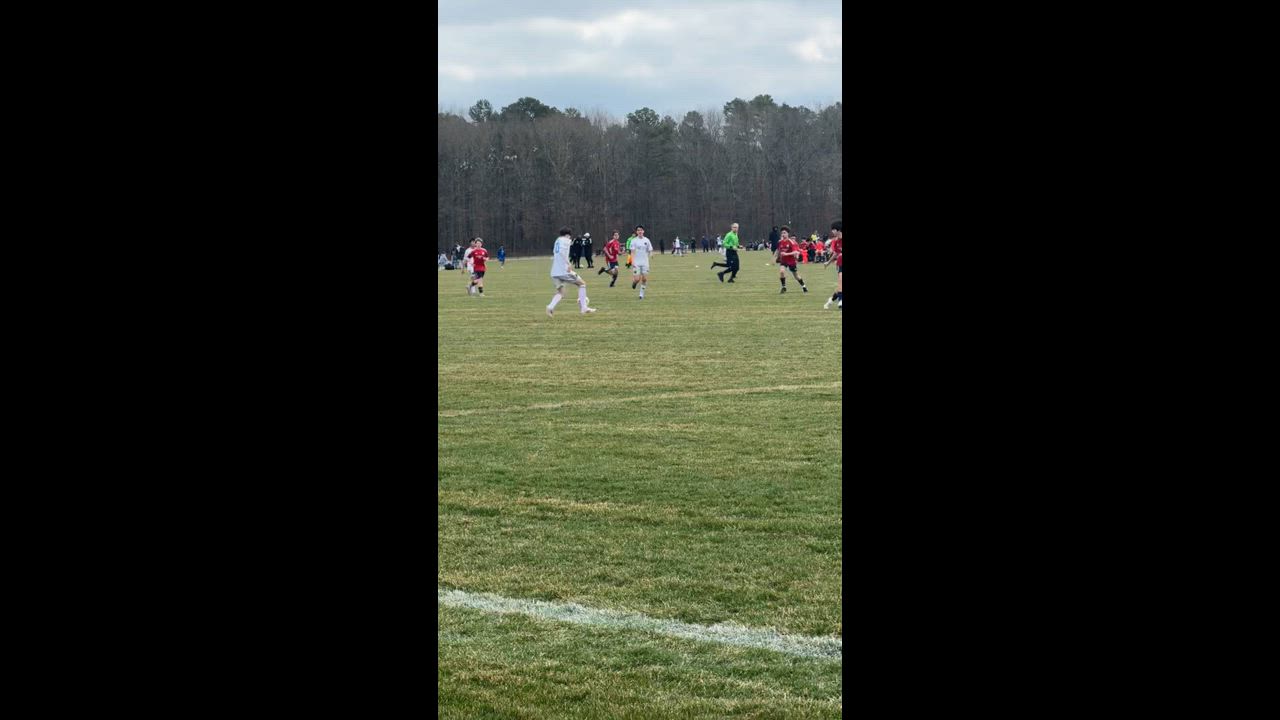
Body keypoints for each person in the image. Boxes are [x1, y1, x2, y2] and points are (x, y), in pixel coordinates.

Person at [547, 227, 597, 317]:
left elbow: (556, 253)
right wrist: (568, 263)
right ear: (567, 235)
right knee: (582, 284)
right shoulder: (566, 240)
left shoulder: (557, 240)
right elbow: (562, 252)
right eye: (570, 236)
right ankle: (584, 308)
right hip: (564, 271)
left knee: (561, 292)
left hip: (554, 272)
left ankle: (550, 307)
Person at [774, 226, 808, 294]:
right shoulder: (780, 242)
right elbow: (778, 250)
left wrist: (786, 254)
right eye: (782, 233)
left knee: (796, 276)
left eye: (784, 233)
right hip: (784, 260)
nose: (783, 234)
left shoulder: (791, 242)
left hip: (791, 261)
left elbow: (795, 252)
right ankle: (784, 287)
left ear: (788, 234)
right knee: (782, 272)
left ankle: (803, 286)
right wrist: (774, 257)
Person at [629, 225, 654, 299]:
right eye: (638, 230)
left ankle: (641, 294)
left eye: (641, 230)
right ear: (636, 232)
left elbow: (650, 249)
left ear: (643, 231)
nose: (640, 231)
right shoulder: (634, 240)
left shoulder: (647, 240)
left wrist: (651, 254)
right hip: (636, 263)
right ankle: (634, 283)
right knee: (637, 279)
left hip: (645, 263)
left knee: (644, 279)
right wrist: (632, 261)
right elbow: (632, 252)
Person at [824, 220, 843, 310]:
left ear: (838, 229)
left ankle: (830, 300)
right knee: (841, 280)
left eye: (833, 229)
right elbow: (835, 253)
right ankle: (841, 300)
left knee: (840, 286)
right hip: (840, 263)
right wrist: (828, 262)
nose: (832, 231)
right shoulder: (836, 241)